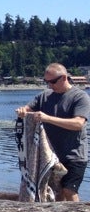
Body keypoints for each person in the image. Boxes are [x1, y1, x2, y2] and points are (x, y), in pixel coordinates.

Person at [16, 63, 89, 201]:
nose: (50, 85)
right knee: (57, 192)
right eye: (47, 82)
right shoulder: (44, 96)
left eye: (53, 81)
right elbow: (28, 109)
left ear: (64, 78)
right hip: (50, 156)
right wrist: (22, 112)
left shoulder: (80, 97)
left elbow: (78, 124)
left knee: (69, 190)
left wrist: (47, 118)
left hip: (74, 155)